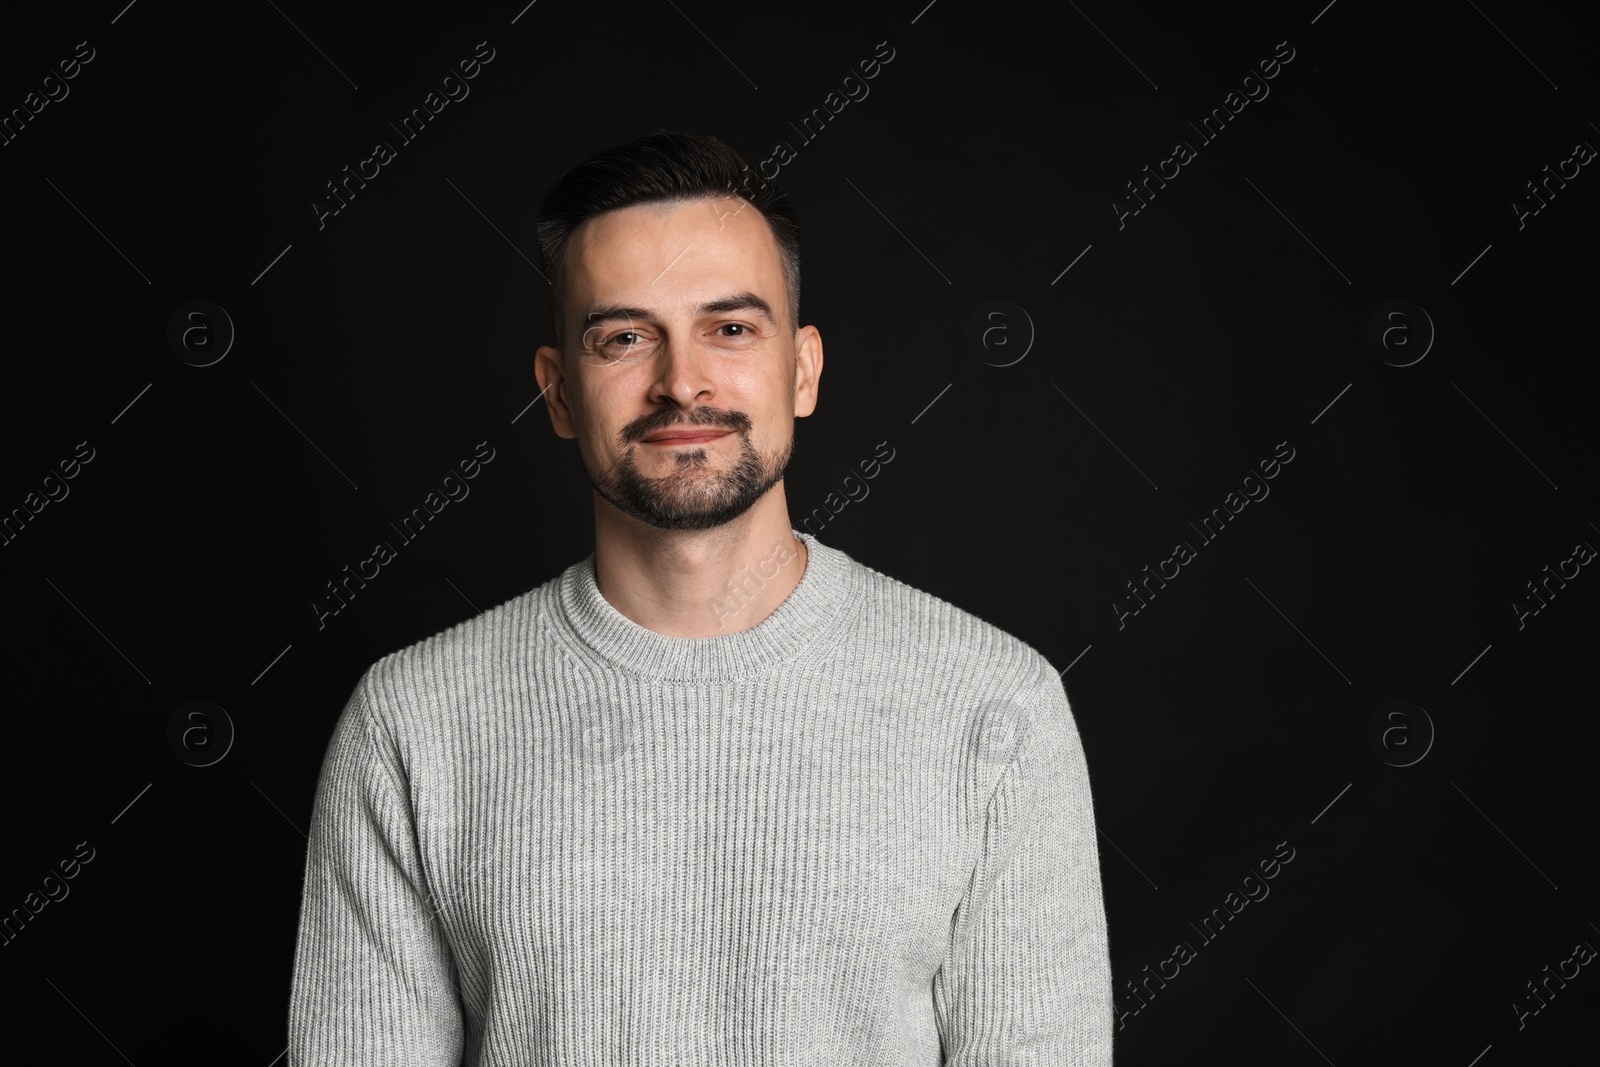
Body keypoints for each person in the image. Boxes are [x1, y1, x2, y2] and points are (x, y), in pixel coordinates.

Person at [287, 130, 1112, 1065]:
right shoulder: (411, 725)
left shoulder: (997, 708)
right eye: (625, 337)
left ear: (801, 370)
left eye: (730, 327)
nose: (682, 381)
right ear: (558, 394)